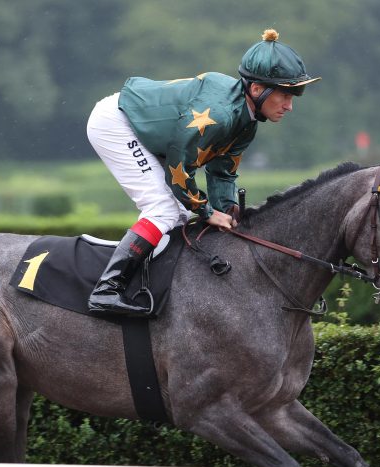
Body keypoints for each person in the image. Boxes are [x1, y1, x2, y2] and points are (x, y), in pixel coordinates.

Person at [86, 28, 320, 316]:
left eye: (294, 95)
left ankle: (153, 287)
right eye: (285, 94)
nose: (290, 106)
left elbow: (222, 173)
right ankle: (107, 289)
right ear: (257, 89)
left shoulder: (246, 122)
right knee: (163, 209)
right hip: (117, 122)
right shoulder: (220, 115)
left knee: (181, 216)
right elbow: (178, 169)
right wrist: (207, 211)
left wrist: (229, 211)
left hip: (149, 131)